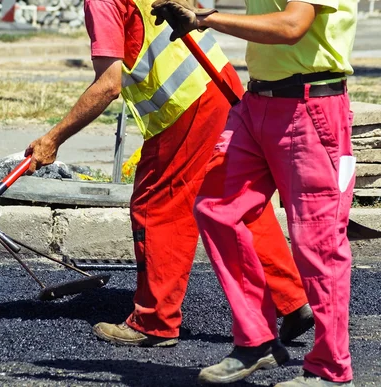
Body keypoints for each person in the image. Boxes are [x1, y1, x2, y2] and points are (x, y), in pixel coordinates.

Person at [25, 0, 315, 348]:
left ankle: (154, 321)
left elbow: (108, 85)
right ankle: (292, 299)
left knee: (156, 206)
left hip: (183, 106)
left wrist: (53, 139)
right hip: (218, 79)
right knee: (234, 200)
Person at [150, 0, 357, 385]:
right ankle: (256, 341)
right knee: (216, 209)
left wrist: (205, 20)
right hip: (257, 103)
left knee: (317, 243)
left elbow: (293, 25)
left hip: (312, 107)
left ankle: (330, 368)